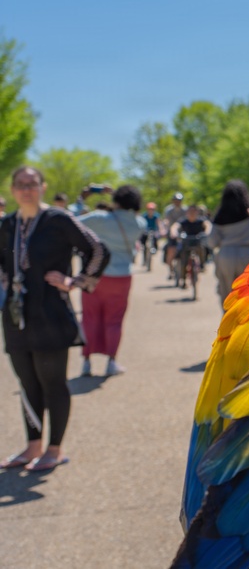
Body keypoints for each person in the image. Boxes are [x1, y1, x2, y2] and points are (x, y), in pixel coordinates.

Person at [0, 166, 108, 472]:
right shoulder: (6, 224)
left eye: (32, 184)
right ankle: (32, 446)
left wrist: (75, 281)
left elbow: (98, 250)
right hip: (16, 316)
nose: (27, 189)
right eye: (21, 184)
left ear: (42, 187)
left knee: (53, 383)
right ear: (13, 189)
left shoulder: (58, 220)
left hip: (51, 315)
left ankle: (54, 449)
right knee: (27, 383)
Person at [78, 185, 145, 377]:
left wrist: (82, 199)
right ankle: (111, 362)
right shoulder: (139, 223)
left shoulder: (100, 218)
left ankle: (86, 362)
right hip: (122, 277)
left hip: (95, 275)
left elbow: (70, 222)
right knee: (114, 320)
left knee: (89, 318)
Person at [207, 180, 249, 307]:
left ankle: (229, 318)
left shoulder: (219, 216)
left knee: (227, 294)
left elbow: (212, 242)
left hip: (225, 255)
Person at [170, 204, 210, 290]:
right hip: (186, 243)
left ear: (197, 212)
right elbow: (175, 226)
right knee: (183, 260)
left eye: (194, 211)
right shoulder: (183, 221)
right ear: (187, 212)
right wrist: (174, 233)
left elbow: (207, 225)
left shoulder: (201, 220)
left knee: (202, 248)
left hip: (198, 242)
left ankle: (202, 265)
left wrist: (207, 233)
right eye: (190, 211)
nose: (192, 213)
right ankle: (183, 279)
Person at [163, 192, 186, 275]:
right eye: (176, 200)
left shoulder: (185, 210)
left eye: (179, 200)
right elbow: (166, 220)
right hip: (172, 233)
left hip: (183, 232)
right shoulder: (169, 210)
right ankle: (171, 270)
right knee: (171, 251)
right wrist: (165, 229)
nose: (177, 202)